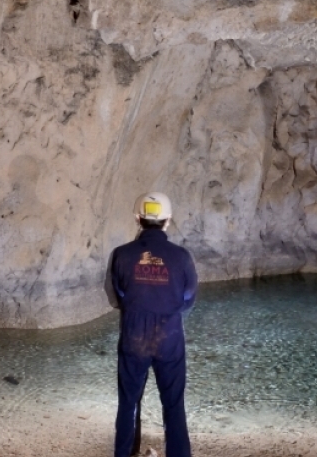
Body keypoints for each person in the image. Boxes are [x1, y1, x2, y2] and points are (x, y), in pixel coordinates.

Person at [110, 192, 198, 457]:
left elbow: (115, 296)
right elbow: (189, 298)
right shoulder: (181, 256)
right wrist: (167, 310)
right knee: (173, 403)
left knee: (128, 402)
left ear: (138, 219)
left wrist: (137, 308)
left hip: (134, 335)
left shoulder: (121, 254)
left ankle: (125, 453)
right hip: (169, 336)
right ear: (167, 220)